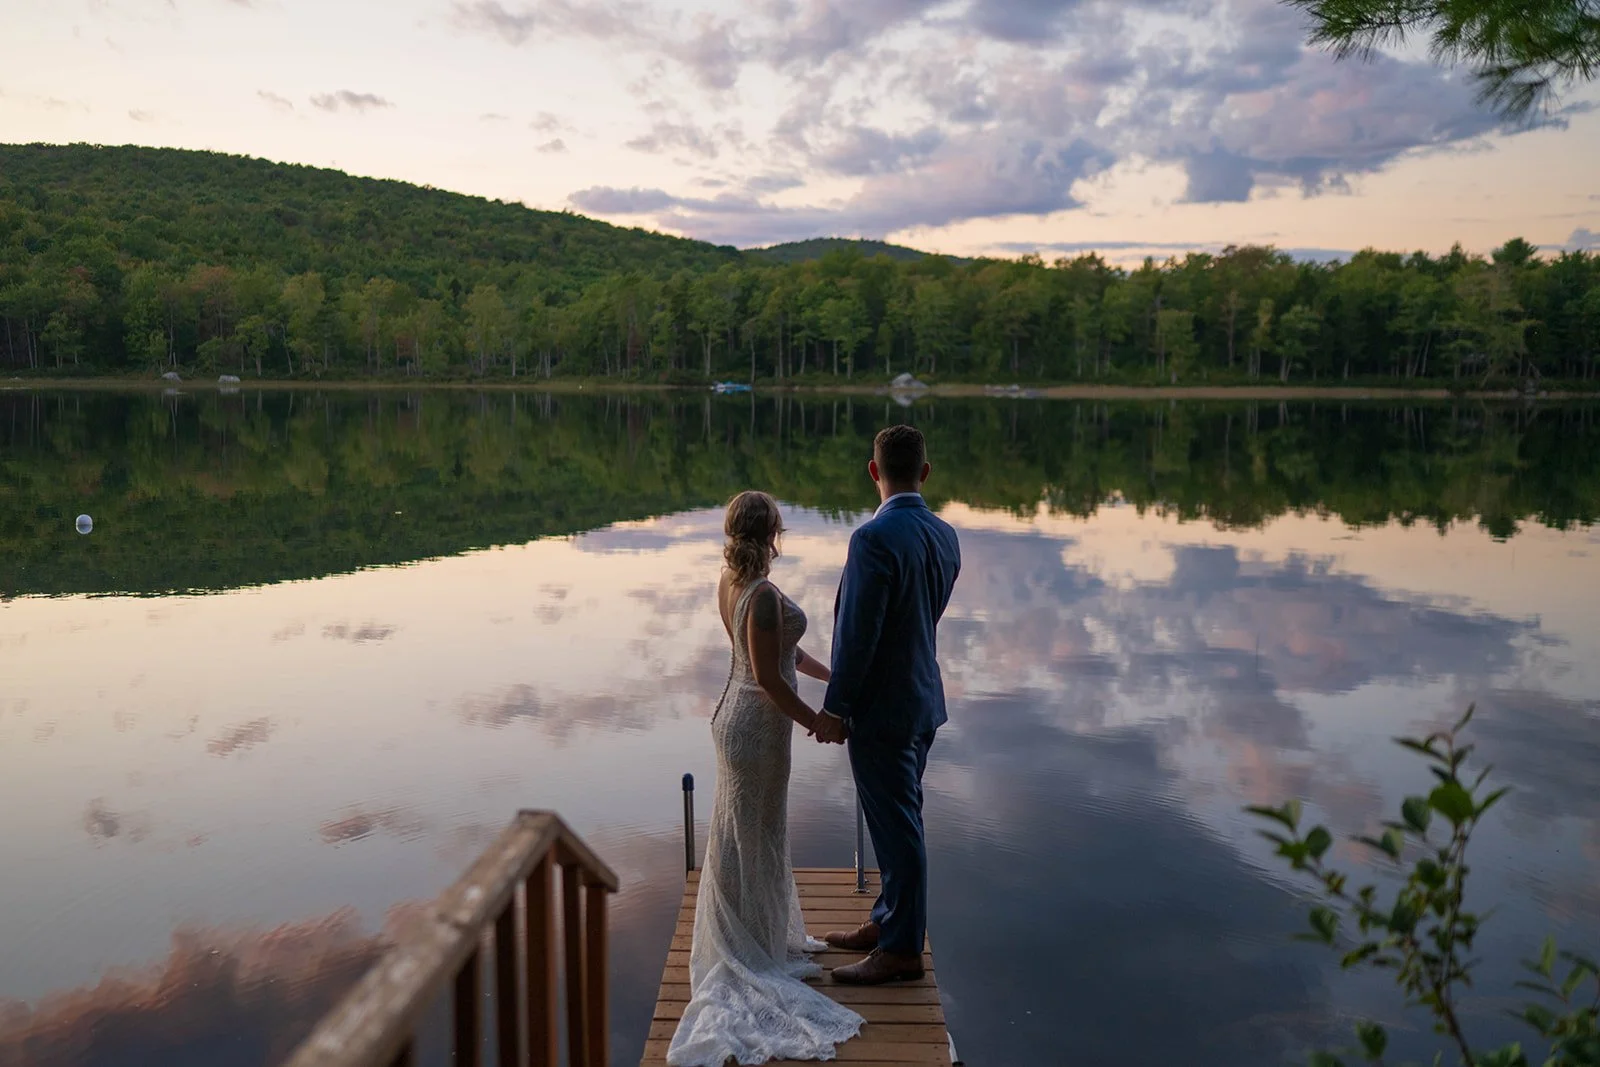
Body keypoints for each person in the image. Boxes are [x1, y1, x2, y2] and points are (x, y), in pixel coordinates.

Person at [666, 491, 864, 1066]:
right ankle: (744, 949)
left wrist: (836, 680)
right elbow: (770, 679)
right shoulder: (764, 596)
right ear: (771, 532)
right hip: (758, 727)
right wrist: (819, 724)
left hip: (736, 722)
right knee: (754, 833)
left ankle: (748, 934)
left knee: (744, 836)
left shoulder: (730, 583)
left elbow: (788, 657)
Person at [814, 424, 961, 985]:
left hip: (884, 711)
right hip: (923, 701)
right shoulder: (945, 534)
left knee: (900, 831)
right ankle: (887, 919)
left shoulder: (872, 540)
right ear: (924, 472)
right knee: (900, 819)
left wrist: (836, 708)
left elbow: (859, 635)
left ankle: (901, 950)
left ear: (873, 471)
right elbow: (925, 615)